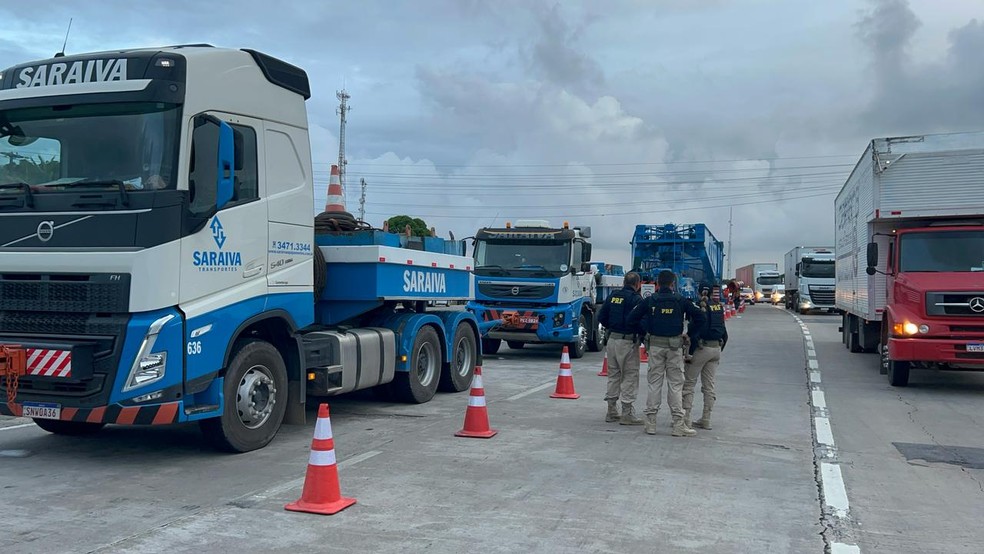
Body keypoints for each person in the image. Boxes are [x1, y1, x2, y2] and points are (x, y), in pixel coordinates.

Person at [628, 269, 705, 437]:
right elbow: (700, 317)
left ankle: (651, 424)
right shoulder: (681, 300)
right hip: (675, 348)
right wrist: (689, 334)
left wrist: (645, 333)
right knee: (676, 385)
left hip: (655, 347)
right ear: (673, 284)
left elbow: (632, 318)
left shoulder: (650, 300)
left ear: (657, 283)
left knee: (654, 385)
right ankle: (679, 424)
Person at [597, 271, 644, 425]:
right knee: (630, 376)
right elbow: (641, 321)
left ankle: (611, 410)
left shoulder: (613, 296)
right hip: (628, 341)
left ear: (624, 282)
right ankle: (627, 413)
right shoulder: (637, 299)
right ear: (637, 284)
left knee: (613, 375)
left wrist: (611, 327)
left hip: (612, 340)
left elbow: (601, 316)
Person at [683, 282, 728, 431]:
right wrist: (719, 349)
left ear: (698, 291)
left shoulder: (697, 308)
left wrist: (689, 352)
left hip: (701, 349)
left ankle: (686, 419)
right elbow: (725, 333)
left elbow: (694, 332)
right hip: (716, 349)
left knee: (689, 385)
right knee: (709, 386)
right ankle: (706, 419)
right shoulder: (718, 307)